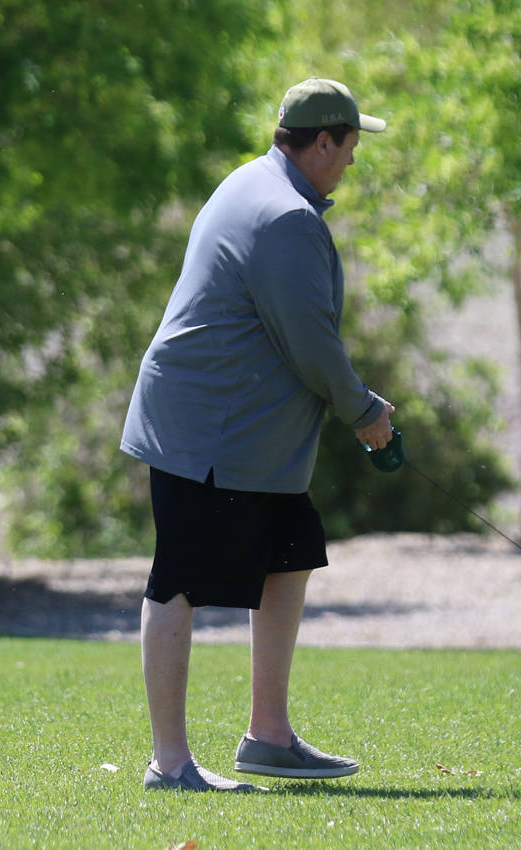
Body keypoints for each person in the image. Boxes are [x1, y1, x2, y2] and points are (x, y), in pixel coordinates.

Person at [120, 78, 393, 792]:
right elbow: (310, 342)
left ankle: (269, 736)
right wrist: (365, 413)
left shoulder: (252, 182)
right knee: (177, 578)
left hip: (243, 436)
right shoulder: (285, 217)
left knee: (290, 550)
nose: (353, 161)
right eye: (351, 145)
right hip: (204, 430)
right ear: (324, 140)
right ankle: (170, 764)